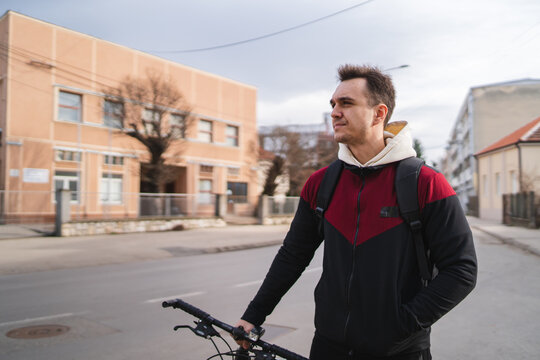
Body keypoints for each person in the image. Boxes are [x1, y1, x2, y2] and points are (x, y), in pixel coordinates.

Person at [235, 64, 478, 359]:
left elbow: (461, 269)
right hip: (328, 345)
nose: (335, 112)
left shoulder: (425, 183)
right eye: (334, 104)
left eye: (347, 103)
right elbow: (293, 255)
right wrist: (254, 315)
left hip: (398, 350)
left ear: (379, 113)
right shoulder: (321, 183)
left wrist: (403, 324)